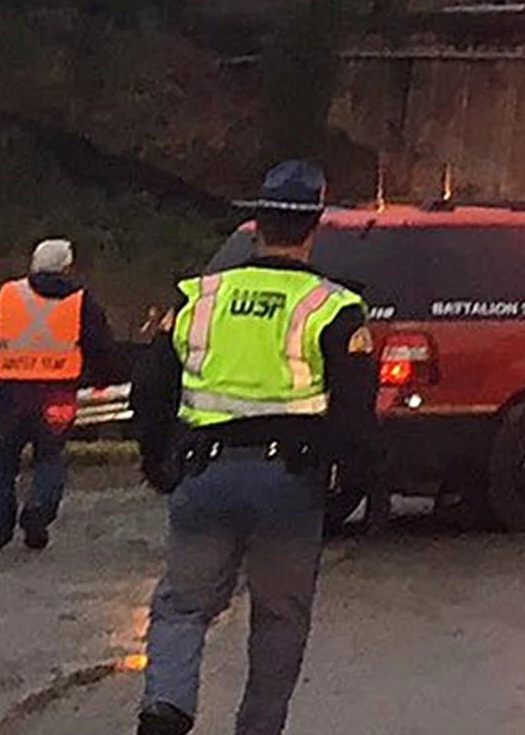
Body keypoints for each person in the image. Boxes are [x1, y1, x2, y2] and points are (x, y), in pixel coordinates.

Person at [131, 160, 373, 735]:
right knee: (280, 620)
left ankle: (166, 707)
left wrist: (157, 462)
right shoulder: (333, 307)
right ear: (314, 227)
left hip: (204, 477)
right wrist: (351, 488)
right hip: (289, 485)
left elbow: (150, 389)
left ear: (256, 222)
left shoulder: (198, 296)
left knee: (182, 607)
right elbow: (355, 412)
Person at [0, 237, 119, 553]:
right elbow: (101, 346)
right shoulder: (81, 300)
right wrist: (101, 378)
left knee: (0, 464)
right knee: (50, 456)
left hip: (11, 391)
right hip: (58, 392)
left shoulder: (8, 294)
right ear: (67, 266)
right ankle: (39, 511)